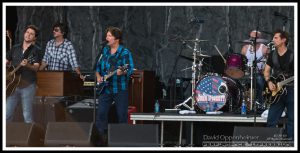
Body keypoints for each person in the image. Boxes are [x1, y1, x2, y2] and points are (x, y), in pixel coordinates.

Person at [95, 26, 134, 145]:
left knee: (121, 115)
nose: (106, 38)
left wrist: (123, 71)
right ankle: (100, 141)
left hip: (119, 88)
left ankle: (123, 142)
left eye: (109, 36)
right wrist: (98, 77)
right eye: (106, 35)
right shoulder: (104, 51)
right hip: (105, 88)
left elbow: (130, 68)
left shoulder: (124, 52)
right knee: (101, 114)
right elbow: (97, 68)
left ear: (116, 38)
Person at [6, 25, 41, 123]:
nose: (28, 35)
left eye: (31, 34)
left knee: (27, 116)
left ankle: (32, 137)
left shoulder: (36, 50)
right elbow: (5, 61)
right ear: (24, 33)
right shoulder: (15, 48)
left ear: (35, 37)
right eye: (27, 32)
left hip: (28, 85)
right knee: (6, 115)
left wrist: (28, 65)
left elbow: (36, 67)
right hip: (13, 86)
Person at [263, 29, 294, 140]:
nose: (273, 40)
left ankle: (291, 142)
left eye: (276, 38)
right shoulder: (272, 55)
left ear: (283, 40)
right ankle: (270, 142)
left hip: (291, 90)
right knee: (271, 119)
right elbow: (266, 71)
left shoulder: (292, 55)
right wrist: (269, 82)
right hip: (276, 91)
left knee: (293, 119)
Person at [241, 30, 269, 110]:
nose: (252, 39)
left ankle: (259, 103)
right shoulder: (245, 48)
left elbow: (269, 64)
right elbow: (241, 62)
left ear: (259, 38)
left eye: (254, 37)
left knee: (259, 81)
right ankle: (241, 103)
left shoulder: (264, 48)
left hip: (259, 73)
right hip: (247, 73)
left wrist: (264, 70)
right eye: (251, 37)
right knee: (239, 81)